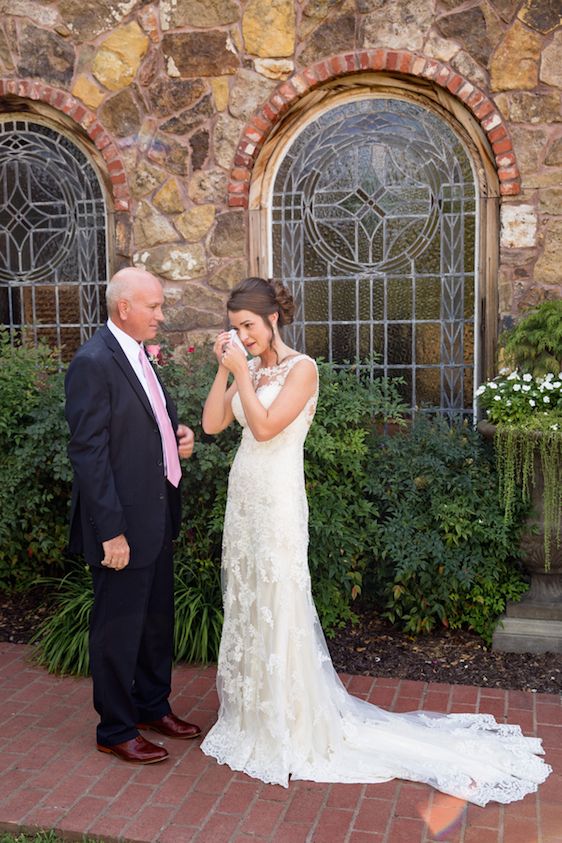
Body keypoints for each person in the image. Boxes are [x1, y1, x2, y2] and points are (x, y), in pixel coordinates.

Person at [199, 275, 551, 805]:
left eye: (247, 326)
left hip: (276, 498)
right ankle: (252, 714)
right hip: (243, 495)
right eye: (235, 329)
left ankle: (290, 719)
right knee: (248, 594)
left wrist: (240, 374)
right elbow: (211, 424)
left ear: (273, 318)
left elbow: (268, 427)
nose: (242, 336)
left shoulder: (303, 369)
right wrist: (224, 374)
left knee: (279, 597)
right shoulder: (247, 368)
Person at [65, 266, 201, 764]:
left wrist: (177, 436)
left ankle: (151, 706)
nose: (161, 315)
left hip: (157, 515)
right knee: (118, 629)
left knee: (154, 622)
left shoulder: (139, 357)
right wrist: (112, 533)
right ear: (125, 308)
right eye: (154, 306)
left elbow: (144, 423)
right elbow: (88, 453)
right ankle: (116, 729)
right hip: (121, 526)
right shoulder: (93, 361)